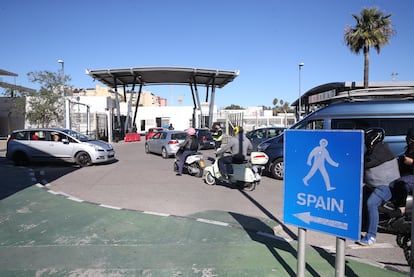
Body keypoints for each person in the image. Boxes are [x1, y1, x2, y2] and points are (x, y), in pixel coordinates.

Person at [358, 127, 400, 246]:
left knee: (371, 203)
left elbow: (365, 163)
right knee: (361, 194)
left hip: (386, 186)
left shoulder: (380, 151)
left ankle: (371, 236)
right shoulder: (374, 149)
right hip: (374, 184)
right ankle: (363, 225)